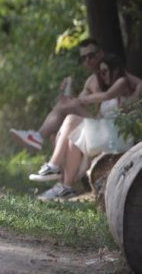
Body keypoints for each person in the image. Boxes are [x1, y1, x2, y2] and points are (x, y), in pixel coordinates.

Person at [38, 53, 139, 200]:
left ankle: (53, 165)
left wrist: (79, 100)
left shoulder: (122, 82)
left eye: (104, 72)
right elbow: (98, 114)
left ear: (115, 70)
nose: (102, 76)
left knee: (72, 119)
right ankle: (66, 187)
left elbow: (106, 96)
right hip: (106, 131)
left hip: (117, 135)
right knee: (73, 138)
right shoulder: (110, 89)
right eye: (100, 73)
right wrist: (70, 96)